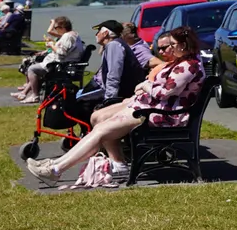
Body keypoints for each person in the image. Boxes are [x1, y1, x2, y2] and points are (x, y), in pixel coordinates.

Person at [26, 26, 206, 186]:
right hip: (150, 107)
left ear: (183, 45)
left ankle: (56, 169)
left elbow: (163, 93)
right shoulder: (182, 63)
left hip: (162, 114)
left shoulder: (189, 66)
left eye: (173, 44)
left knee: (101, 130)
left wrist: (145, 86)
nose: (170, 48)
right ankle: (58, 165)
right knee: (100, 122)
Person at [79, 20, 146, 118]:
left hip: (122, 93)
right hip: (116, 89)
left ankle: (89, 130)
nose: (96, 35)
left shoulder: (114, 46)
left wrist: (109, 101)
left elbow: (113, 76)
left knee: (80, 103)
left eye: (98, 31)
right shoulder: (114, 45)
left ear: (105, 33)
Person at [13, 16, 86, 102]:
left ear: (62, 27)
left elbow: (62, 53)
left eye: (56, 28)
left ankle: (34, 95)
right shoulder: (74, 34)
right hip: (65, 64)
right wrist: (52, 45)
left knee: (32, 69)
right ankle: (25, 93)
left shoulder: (67, 36)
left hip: (60, 66)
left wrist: (52, 45)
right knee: (35, 68)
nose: (55, 30)